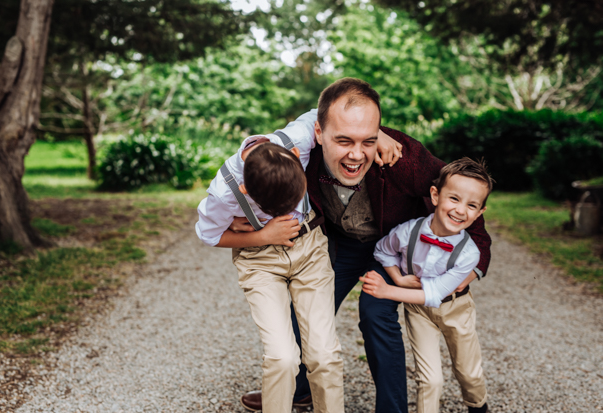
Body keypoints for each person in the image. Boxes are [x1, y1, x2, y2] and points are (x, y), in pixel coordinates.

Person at [234, 78, 492, 413]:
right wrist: (243, 216)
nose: (356, 154)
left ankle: (392, 409)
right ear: (319, 134)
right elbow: (257, 162)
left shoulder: (402, 156)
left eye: (367, 140)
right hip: (339, 244)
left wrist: (473, 266)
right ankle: (299, 389)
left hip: (389, 252)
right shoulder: (303, 156)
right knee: (306, 307)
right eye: (344, 140)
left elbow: (461, 197)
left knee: (376, 314)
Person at [195, 110, 345, 413]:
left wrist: (378, 134)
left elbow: (333, 111)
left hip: (310, 250)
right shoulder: (225, 191)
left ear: (295, 156)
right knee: (282, 357)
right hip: (260, 261)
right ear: (245, 190)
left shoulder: (298, 138)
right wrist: (262, 236)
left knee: (324, 355)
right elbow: (208, 234)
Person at [362, 157, 493, 413]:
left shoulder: (469, 254)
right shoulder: (407, 232)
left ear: (479, 213)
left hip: (456, 309)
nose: (460, 210)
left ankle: (478, 406)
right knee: (430, 379)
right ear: (435, 195)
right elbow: (382, 250)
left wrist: (388, 290)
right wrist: (398, 277)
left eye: (472, 205)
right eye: (454, 199)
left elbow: (434, 294)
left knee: (468, 373)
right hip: (419, 312)